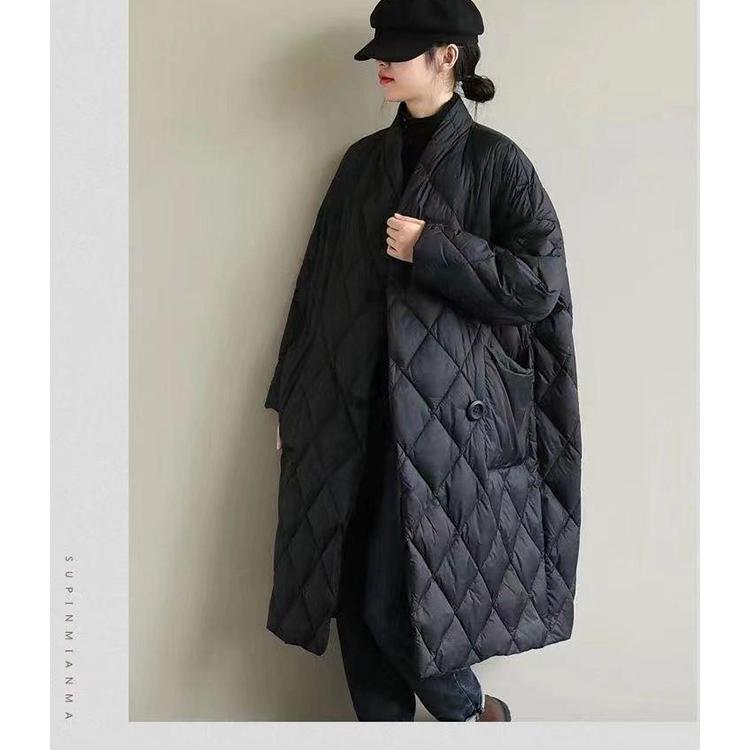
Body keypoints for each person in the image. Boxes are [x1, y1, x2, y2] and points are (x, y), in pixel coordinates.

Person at [265, 0, 581, 723]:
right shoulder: (360, 165)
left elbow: (539, 287)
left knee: (392, 600)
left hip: (447, 427)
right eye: (380, 48)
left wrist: (432, 247)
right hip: (351, 413)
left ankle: (470, 713)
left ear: (448, 56)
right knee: (349, 594)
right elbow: (315, 291)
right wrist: (289, 399)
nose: (382, 61)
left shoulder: (495, 162)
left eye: (399, 49)